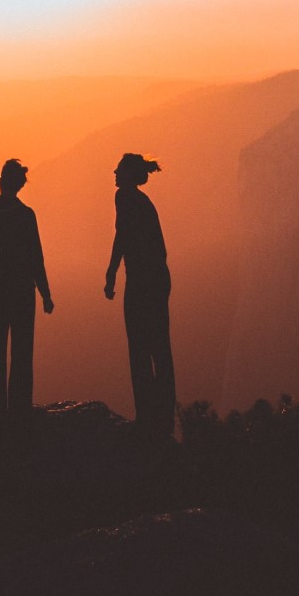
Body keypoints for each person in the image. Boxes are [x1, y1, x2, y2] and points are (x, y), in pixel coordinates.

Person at [0, 158, 53, 425]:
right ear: (19, 185)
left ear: (0, 181)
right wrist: (46, 294)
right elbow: (35, 258)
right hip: (22, 295)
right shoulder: (26, 216)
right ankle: (19, 414)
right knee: (21, 355)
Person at [104, 152, 175, 437]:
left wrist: (111, 273)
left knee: (140, 348)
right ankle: (163, 420)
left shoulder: (125, 197)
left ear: (128, 174)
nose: (114, 173)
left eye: (118, 169)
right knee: (159, 347)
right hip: (156, 279)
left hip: (143, 280)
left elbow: (121, 236)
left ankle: (148, 419)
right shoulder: (141, 201)